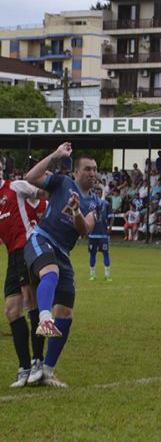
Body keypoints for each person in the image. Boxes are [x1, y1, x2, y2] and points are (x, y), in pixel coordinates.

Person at [23, 142, 99, 387]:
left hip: (63, 252)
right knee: (50, 272)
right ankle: (45, 320)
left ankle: (47, 371)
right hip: (42, 239)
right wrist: (55, 155)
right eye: (87, 168)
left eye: (95, 169)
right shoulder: (61, 182)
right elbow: (31, 177)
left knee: (66, 312)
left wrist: (77, 211)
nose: (92, 173)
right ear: (76, 171)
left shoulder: (95, 203)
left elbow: (85, 230)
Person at [0, 167, 47, 388]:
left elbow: (42, 194)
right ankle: (24, 366)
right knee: (11, 310)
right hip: (11, 255)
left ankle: (38, 361)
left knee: (30, 299)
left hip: (26, 247)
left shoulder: (15, 187)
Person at [88, 187, 114, 281]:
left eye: (99, 193)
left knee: (106, 253)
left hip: (103, 234)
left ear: (101, 193)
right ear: (93, 193)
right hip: (92, 234)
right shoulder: (89, 204)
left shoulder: (106, 204)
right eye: (96, 192)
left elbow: (111, 216)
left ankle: (107, 275)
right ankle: (92, 274)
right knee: (92, 254)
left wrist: (110, 227)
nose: (98, 194)